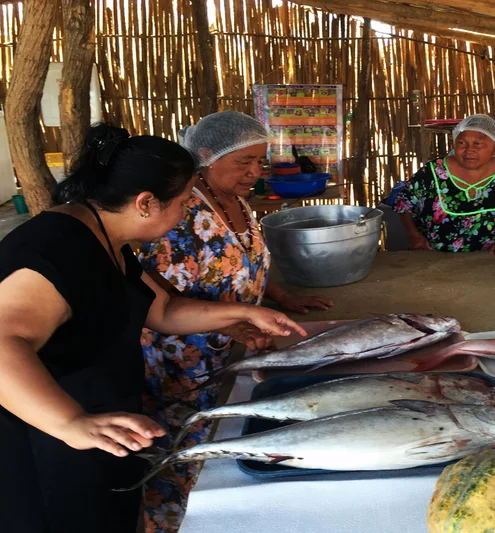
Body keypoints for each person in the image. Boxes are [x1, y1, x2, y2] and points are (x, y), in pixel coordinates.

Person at [0, 124, 305, 533]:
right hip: (48, 436)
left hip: (104, 424)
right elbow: (4, 341)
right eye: (181, 203)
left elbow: (163, 310)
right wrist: (69, 422)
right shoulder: (57, 248)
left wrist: (245, 315)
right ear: (146, 202)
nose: (185, 213)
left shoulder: (105, 238)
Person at [137, 110, 333, 533]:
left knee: (225, 439)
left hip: (235, 345)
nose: (254, 172)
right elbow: (155, 291)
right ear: (206, 155)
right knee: (186, 450)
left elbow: (243, 261)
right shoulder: (183, 210)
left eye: (259, 162)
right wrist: (227, 325)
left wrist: (280, 296)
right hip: (183, 357)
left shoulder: (237, 200)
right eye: (243, 162)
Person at [393, 114, 495, 253]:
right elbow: (404, 204)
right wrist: (412, 234)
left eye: (478, 144)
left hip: (492, 263)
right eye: (462, 143)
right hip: (435, 262)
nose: (469, 150)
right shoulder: (432, 172)